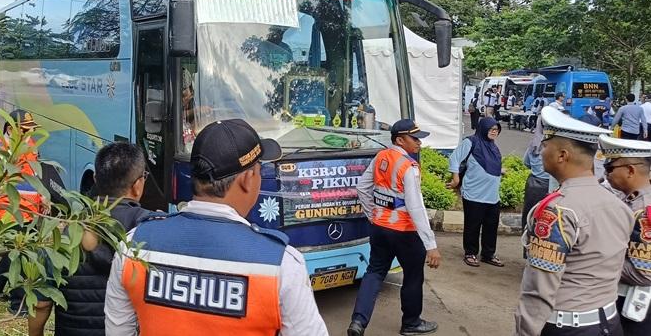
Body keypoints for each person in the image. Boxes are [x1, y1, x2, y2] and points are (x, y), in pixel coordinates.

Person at [104, 119, 327, 335]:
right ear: (248, 179)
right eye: (260, 170)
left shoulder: (132, 246)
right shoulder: (281, 263)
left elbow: (117, 330)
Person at [514, 106, 634, 336]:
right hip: (608, 323)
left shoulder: (558, 211)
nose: (540, 151)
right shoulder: (619, 205)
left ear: (562, 155)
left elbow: (539, 290)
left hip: (567, 327)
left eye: (546, 145)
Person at [28, 142, 151, 336]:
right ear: (137, 185)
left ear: (95, 178)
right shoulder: (150, 231)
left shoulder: (66, 233)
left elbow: (41, 303)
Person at [347, 119, 441, 336]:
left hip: (380, 228)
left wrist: (373, 215)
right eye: (415, 138)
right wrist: (431, 244)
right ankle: (411, 323)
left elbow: (362, 187)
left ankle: (358, 322)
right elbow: (415, 207)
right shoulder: (409, 167)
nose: (419, 143)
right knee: (413, 275)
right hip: (405, 232)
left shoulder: (381, 157)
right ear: (400, 139)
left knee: (374, 272)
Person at [0, 111, 45, 315]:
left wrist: (42, 198)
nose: (30, 132)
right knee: (20, 254)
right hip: (8, 211)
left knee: (15, 253)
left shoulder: (29, 145)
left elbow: (33, 178)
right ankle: (18, 303)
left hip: (29, 210)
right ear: (10, 130)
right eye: (26, 130)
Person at [599, 135, 651, 335]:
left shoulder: (643, 210)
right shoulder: (634, 201)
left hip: (636, 307)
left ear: (630, 170)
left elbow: (644, 273)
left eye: (610, 168)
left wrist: (597, 260)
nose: (606, 174)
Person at [448, 117, 504, 268]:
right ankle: (470, 253)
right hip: (474, 193)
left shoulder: (493, 147)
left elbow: (490, 165)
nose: (494, 132)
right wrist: (455, 178)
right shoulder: (471, 142)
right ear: (483, 128)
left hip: (492, 195)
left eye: (496, 130)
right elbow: (454, 158)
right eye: (491, 129)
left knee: (491, 226)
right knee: (473, 225)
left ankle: (488, 254)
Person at [520, 120, 555, 259]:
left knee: (529, 220)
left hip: (533, 185)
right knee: (548, 222)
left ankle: (528, 252)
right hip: (550, 187)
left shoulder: (534, 144)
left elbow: (525, 162)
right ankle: (542, 255)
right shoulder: (556, 146)